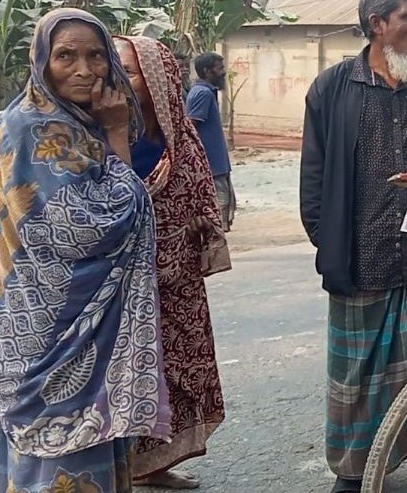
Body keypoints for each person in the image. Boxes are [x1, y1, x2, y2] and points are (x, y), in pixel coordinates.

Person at [0, 8, 168, 493]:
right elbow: (94, 226)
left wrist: (107, 132)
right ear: (41, 61)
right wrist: (115, 134)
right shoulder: (31, 128)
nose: (85, 69)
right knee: (53, 448)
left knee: (89, 435)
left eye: (95, 55)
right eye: (66, 56)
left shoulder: (73, 123)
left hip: (80, 325)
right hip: (44, 327)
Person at [299, 0, 407, 493]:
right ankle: (352, 470)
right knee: (356, 375)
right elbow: (314, 176)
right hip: (360, 256)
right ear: (378, 25)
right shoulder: (332, 89)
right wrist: (326, 240)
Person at [115, 36, 228, 489]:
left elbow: (200, 201)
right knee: (124, 375)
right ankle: (116, 467)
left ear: (159, 80)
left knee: (175, 373)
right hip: (118, 285)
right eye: (116, 67)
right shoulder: (98, 134)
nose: (120, 79)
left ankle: (154, 465)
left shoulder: (181, 139)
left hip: (177, 283)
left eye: (132, 70)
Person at [186, 52, 235, 230]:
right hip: (211, 165)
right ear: (207, 71)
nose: (223, 72)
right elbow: (191, 128)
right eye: (219, 68)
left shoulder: (206, 92)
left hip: (217, 164)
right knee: (218, 210)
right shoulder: (203, 94)